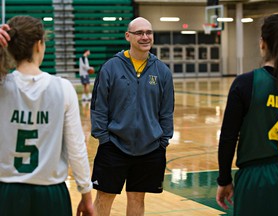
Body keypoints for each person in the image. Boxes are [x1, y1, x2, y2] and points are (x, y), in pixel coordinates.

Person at [0, 16, 93, 216]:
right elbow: (77, 149)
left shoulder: (2, 86)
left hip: (7, 192)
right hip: (51, 194)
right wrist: (86, 194)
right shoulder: (63, 88)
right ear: (39, 45)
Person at [90, 17, 174, 215]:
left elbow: (166, 111)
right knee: (104, 196)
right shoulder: (111, 67)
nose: (145, 37)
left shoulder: (162, 71)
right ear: (128, 36)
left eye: (148, 32)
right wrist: (104, 139)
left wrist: (163, 140)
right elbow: (98, 107)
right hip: (114, 146)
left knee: (137, 197)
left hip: (150, 148)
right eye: (139, 33)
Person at [216, 13, 278, 216]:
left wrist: (224, 179)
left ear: (263, 43)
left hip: (259, 178)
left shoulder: (246, 83)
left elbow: (229, 137)